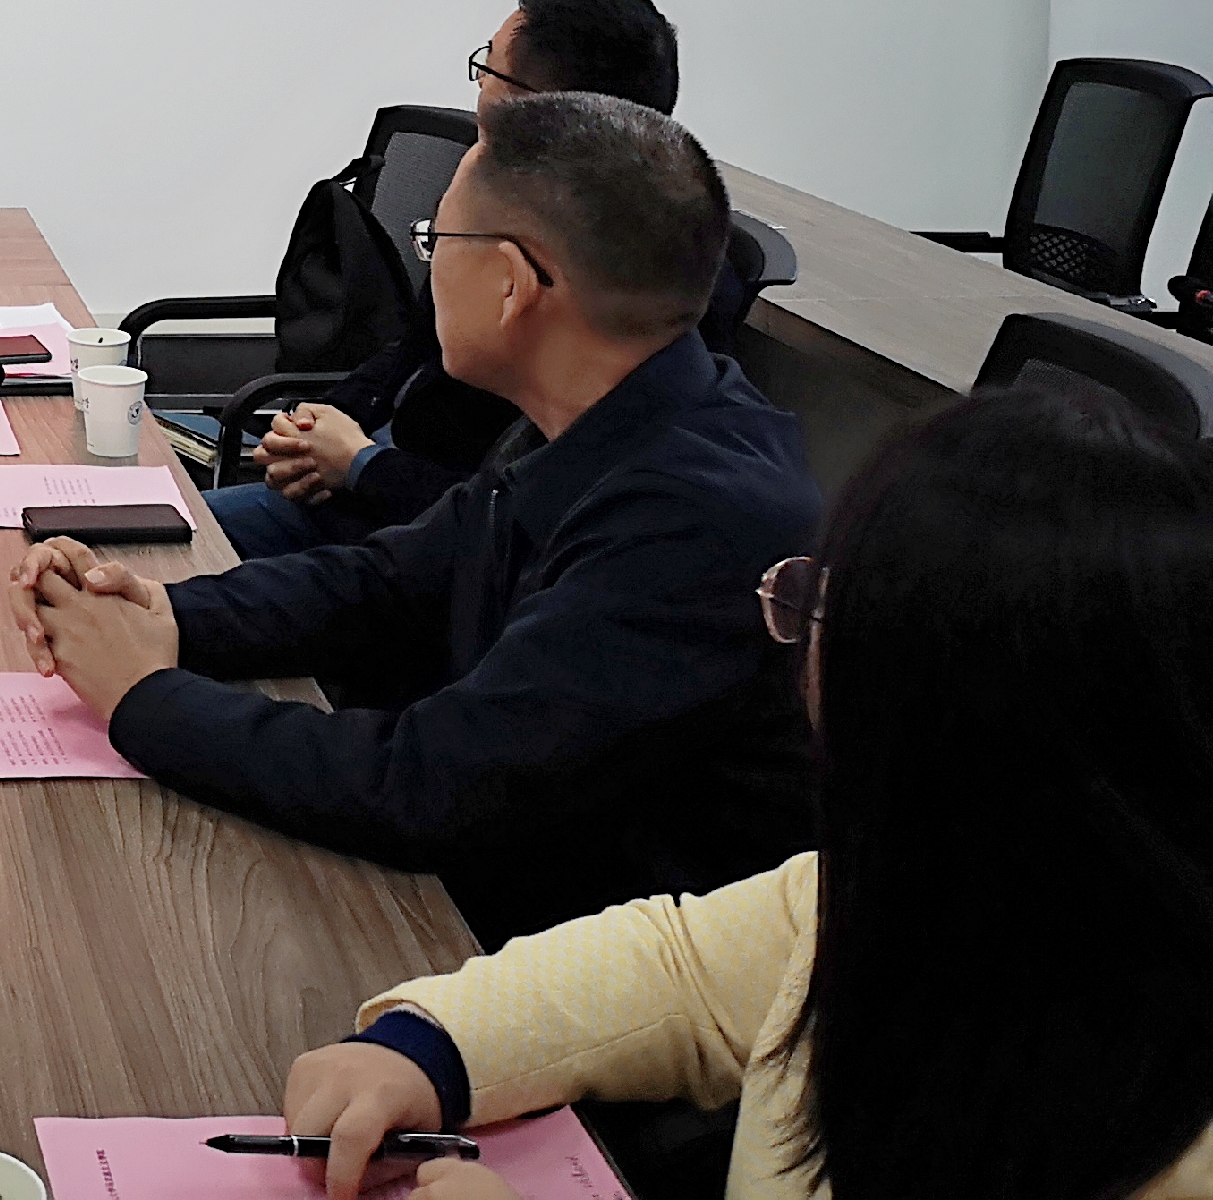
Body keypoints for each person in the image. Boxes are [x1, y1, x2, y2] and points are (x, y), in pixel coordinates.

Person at [276, 380, 1213, 1200]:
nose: (801, 657)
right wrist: (428, 1049)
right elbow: (674, 970)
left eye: (824, 609)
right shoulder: (895, 884)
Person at [10, 92, 818, 947]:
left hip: (578, 966)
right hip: (498, 893)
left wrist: (144, 696)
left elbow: (430, 787)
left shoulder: (695, 521)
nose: (427, 271)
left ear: (509, 282)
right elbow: (392, 580)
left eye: (436, 242)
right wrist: (164, 612)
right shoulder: (610, 413)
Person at [212, 0, 729, 559]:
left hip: (402, 519)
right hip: (372, 485)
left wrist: (361, 465)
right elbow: (411, 350)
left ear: (540, 105)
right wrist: (316, 425)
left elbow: (501, 521)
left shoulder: (620, 287)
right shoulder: (497, 203)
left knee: (166, 546)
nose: (479, 84)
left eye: (490, 68)